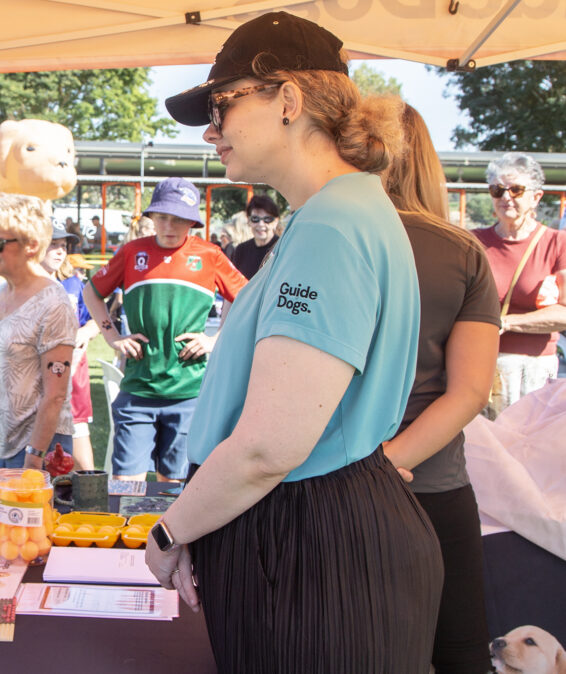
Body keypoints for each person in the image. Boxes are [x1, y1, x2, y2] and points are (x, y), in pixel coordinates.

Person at [147, 13, 441, 671]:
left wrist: (171, 530)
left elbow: (267, 446)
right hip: (314, 528)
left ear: (288, 99)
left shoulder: (332, 224)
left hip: (310, 540)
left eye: (223, 104)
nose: (210, 129)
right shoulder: (338, 213)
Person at [382, 105, 501, 674]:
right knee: (458, 652)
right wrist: (392, 462)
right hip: (435, 483)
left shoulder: (319, 240)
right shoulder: (462, 251)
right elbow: (471, 390)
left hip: (335, 486)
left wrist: (372, 467)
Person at [82, 178, 246, 481]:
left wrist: (215, 340)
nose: (170, 226)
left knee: (173, 488)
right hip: (137, 390)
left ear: (192, 221)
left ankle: (159, 531)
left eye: (179, 219)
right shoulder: (132, 252)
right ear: (152, 217)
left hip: (189, 394)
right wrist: (112, 337)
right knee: (125, 486)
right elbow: (92, 292)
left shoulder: (209, 255)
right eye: (163, 217)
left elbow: (246, 297)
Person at [0, 194, 78, 469]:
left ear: (31, 246)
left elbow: (55, 394)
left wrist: (33, 460)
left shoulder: (53, 303)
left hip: (38, 447)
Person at [474, 152, 566, 416]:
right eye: (497, 190)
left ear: (536, 196)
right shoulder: (473, 242)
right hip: (482, 368)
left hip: (534, 372)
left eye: (516, 189)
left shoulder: (557, 243)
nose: (505, 197)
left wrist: (507, 323)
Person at [41, 225, 100, 470]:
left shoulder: (73, 285)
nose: (59, 252)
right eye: (53, 245)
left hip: (73, 374)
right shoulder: (24, 288)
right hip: (37, 379)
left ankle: (86, 493)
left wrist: (86, 331)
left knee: (78, 436)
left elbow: (96, 318)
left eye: (63, 247)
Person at [230, 194, 281, 279]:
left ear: (275, 221)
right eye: (255, 219)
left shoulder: (282, 248)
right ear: (249, 221)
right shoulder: (240, 250)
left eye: (267, 219)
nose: (261, 225)